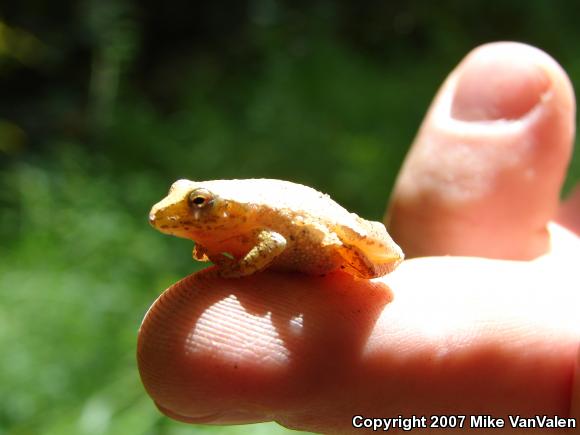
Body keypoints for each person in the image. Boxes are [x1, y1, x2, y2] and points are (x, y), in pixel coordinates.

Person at [137, 42, 580, 434]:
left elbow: (270, 244)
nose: (186, 208)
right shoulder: (230, 215)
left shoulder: (245, 215)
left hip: (328, 237)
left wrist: (238, 267)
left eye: (197, 202)